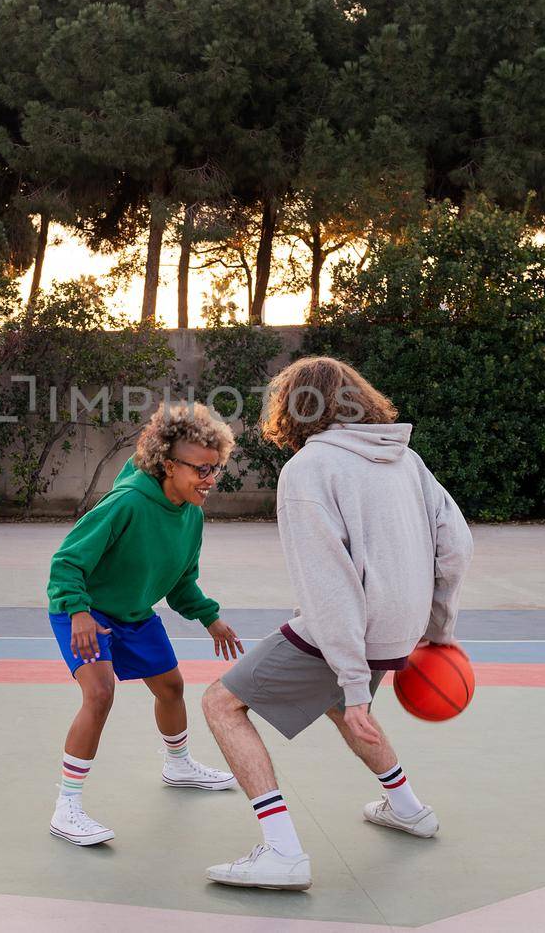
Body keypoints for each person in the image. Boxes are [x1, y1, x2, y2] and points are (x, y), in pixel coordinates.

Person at [200, 356, 473, 890]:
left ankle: (282, 853)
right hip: (396, 627)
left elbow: (331, 584)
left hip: (353, 626)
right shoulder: (405, 459)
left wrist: (352, 683)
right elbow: (456, 545)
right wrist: (437, 629)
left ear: (293, 407)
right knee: (340, 704)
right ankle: (408, 809)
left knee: (221, 704)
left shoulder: (308, 470)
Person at [45, 401, 247, 846]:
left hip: (134, 613)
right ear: (168, 465)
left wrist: (210, 618)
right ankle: (68, 806)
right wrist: (77, 610)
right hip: (85, 611)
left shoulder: (191, 515)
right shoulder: (127, 503)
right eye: (201, 470)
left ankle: (178, 765)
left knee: (171, 687)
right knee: (99, 694)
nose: (210, 480)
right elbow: (66, 563)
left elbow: (181, 582)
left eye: (216, 469)